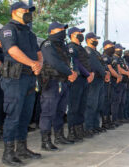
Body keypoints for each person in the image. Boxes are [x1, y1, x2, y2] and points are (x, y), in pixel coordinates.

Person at [0, 2, 43, 165]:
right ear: (15, 12)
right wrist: (32, 63)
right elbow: (12, 50)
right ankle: (8, 153)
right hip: (14, 79)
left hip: (29, 78)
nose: (27, 13)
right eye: (24, 11)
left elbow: (39, 52)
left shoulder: (29, 33)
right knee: (13, 116)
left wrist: (39, 64)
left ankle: (22, 148)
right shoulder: (9, 29)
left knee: (25, 116)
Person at [39, 21, 78, 151]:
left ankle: (59, 136)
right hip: (51, 81)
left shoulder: (64, 46)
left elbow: (71, 61)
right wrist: (70, 73)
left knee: (60, 111)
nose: (63, 31)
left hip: (64, 81)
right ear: (52, 31)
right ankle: (45, 141)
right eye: (60, 29)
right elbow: (54, 62)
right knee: (48, 112)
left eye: (63, 29)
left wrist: (74, 73)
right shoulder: (48, 44)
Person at [67, 27, 94, 142]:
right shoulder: (71, 47)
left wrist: (91, 73)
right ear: (72, 35)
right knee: (74, 106)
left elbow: (87, 62)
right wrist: (88, 74)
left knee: (82, 105)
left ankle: (79, 129)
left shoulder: (81, 48)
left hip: (84, 79)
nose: (80, 35)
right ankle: (72, 131)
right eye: (78, 33)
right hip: (77, 79)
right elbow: (76, 63)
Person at [84, 33, 110, 138]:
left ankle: (95, 125)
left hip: (100, 80)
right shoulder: (88, 50)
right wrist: (105, 73)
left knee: (98, 104)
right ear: (88, 39)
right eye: (94, 38)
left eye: (96, 38)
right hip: (94, 80)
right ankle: (88, 127)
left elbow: (103, 65)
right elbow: (95, 64)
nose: (96, 40)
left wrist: (106, 72)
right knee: (91, 104)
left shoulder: (97, 52)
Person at [114, 44, 129, 123]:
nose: (121, 51)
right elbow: (119, 69)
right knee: (117, 101)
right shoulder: (114, 58)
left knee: (123, 101)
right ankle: (115, 119)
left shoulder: (122, 59)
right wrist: (127, 73)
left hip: (125, 82)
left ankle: (121, 117)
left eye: (121, 49)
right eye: (119, 49)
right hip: (118, 82)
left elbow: (127, 68)